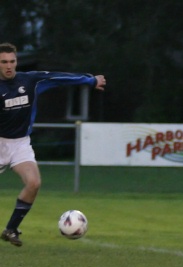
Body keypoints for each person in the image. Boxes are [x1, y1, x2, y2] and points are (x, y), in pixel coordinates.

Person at [0, 42, 107, 247]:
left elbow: (59, 78)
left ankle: (11, 229)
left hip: (20, 143)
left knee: (34, 183)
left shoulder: (30, 81)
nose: (9, 66)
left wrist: (90, 80)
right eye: (4, 62)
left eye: (12, 61)